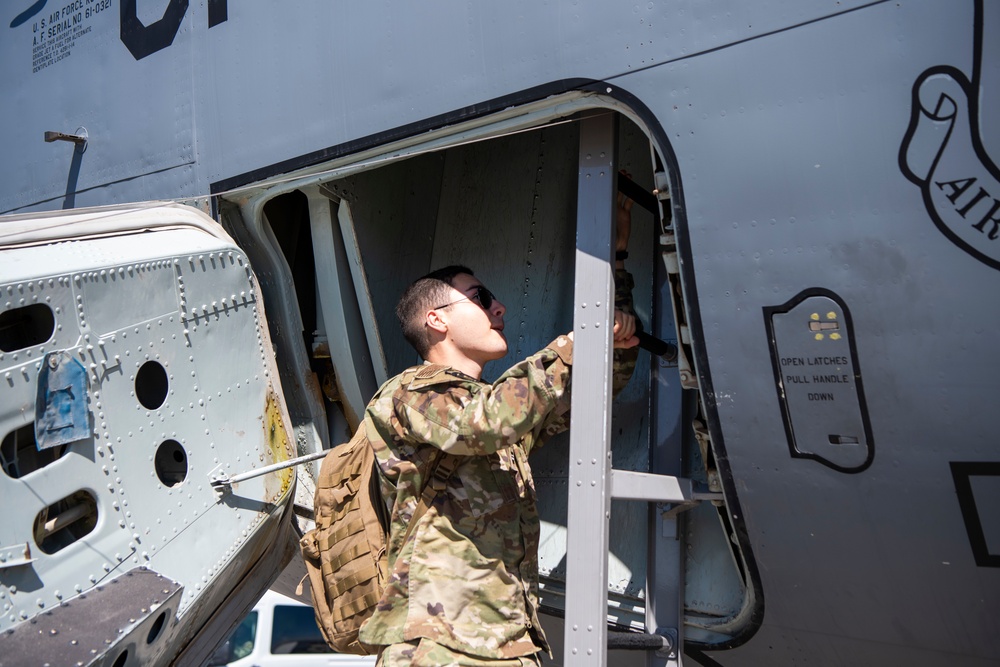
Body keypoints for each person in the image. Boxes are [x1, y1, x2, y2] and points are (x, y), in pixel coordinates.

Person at [359, 196, 638, 666]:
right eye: (481, 298)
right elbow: (485, 422)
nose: (499, 307)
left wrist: (617, 275)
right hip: (441, 647)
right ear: (437, 318)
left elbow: (593, 387)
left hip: (505, 645)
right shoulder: (410, 394)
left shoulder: (498, 417)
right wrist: (580, 338)